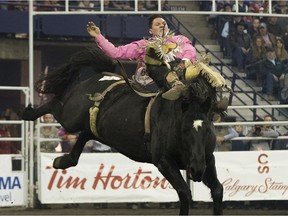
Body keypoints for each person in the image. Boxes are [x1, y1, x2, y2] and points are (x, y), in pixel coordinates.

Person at [87, 14, 228, 109]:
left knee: (201, 67)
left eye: (164, 23)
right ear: (150, 30)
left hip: (180, 72)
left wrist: (185, 61)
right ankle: (176, 86)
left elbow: (190, 50)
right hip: (152, 80)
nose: (162, 25)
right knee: (159, 64)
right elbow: (116, 53)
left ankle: (213, 106)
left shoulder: (180, 40)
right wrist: (99, 36)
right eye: (157, 24)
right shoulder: (144, 45)